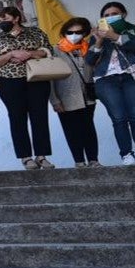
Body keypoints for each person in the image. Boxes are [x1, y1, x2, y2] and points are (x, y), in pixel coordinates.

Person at [86, 1, 135, 164]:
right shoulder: (96, 34)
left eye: (114, 14)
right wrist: (98, 40)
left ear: (123, 14)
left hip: (131, 76)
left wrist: (114, 36)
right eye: (106, 15)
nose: (110, 17)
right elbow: (90, 59)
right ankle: (127, 154)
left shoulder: (132, 29)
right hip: (105, 80)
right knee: (118, 117)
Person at [0, 6, 55, 170]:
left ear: (16, 18)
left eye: (5, 17)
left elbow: (48, 50)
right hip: (9, 80)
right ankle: (25, 157)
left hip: (36, 78)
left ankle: (41, 156)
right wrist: (11, 54)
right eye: (0, 19)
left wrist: (28, 54)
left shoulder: (34, 32)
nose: (2, 21)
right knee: (17, 118)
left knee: (40, 116)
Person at [52, 18, 101, 167]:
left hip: (87, 95)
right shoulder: (55, 50)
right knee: (72, 130)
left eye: (79, 32)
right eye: (70, 32)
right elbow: (50, 77)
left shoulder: (88, 48)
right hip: (66, 96)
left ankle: (93, 160)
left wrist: (97, 40)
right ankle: (79, 161)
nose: (74, 35)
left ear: (85, 33)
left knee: (89, 128)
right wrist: (54, 100)